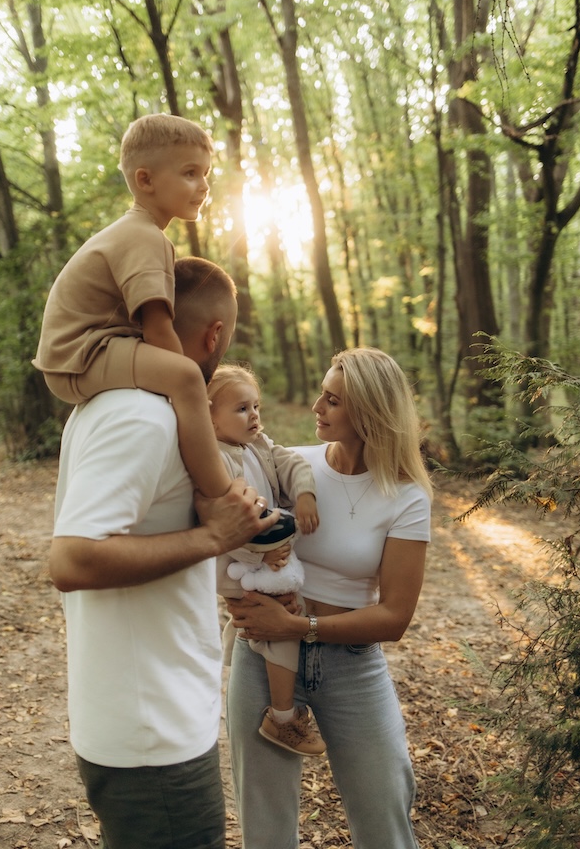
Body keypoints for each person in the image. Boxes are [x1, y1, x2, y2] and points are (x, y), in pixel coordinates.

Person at [48, 256, 279, 849]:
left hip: (153, 717)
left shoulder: (130, 405)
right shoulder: (141, 416)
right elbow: (71, 560)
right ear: (215, 335)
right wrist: (213, 538)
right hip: (151, 734)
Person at [225, 347, 432, 849]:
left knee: (385, 813)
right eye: (321, 393)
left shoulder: (407, 497)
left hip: (351, 665)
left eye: (332, 399)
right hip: (262, 657)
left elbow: (394, 617)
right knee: (266, 825)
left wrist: (299, 628)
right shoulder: (293, 465)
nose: (317, 406)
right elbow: (235, 526)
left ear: (369, 411)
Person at [33, 113, 231, 499]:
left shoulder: (139, 232)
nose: (204, 186)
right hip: (81, 352)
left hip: (83, 351)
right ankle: (220, 493)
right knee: (188, 378)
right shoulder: (144, 238)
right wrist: (183, 385)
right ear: (145, 180)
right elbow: (158, 329)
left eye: (206, 174)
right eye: (191, 173)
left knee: (180, 377)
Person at [208, 365, 324, 756]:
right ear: (208, 416)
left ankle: (241, 636)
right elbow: (221, 519)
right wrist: (260, 551)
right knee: (284, 630)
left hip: (265, 555)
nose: (254, 415)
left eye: (255, 405)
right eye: (241, 409)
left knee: (274, 617)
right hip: (241, 559)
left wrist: (304, 493)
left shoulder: (257, 445)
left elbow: (290, 462)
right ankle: (283, 716)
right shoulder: (215, 462)